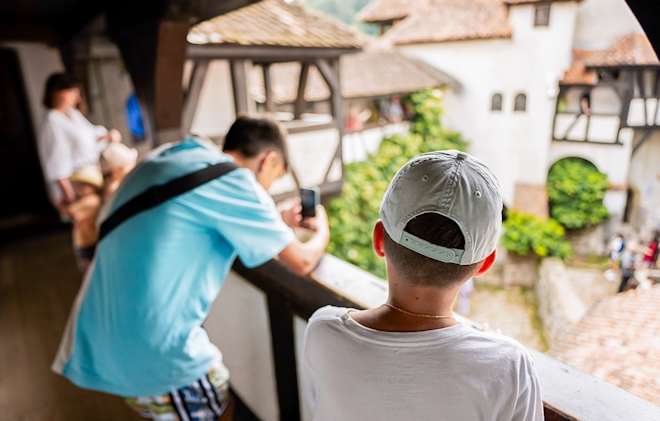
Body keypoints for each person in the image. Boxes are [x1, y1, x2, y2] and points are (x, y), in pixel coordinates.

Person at [52, 115, 330, 420]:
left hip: (102, 340)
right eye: (274, 176)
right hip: (153, 353)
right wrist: (322, 231)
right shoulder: (236, 180)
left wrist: (277, 218)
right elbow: (302, 261)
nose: (265, 187)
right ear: (269, 160)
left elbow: (195, 213)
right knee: (222, 407)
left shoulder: (176, 155)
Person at [302, 150, 543, 420]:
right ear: (485, 265)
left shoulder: (323, 330)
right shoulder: (509, 366)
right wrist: (491, 348)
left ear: (379, 238)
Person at [37, 72, 120, 211]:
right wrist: (68, 193)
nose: (76, 98)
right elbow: (56, 158)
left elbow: (90, 136)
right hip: (80, 183)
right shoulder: (53, 119)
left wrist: (107, 136)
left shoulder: (72, 114)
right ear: (57, 92)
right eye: (71, 92)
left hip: (93, 174)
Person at [64, 165, 104, 271]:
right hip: (83, 241)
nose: (78, 189)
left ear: (94, 186)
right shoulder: (83, 200)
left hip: (90, 241)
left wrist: (60, 206)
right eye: (77, 186)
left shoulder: (92, 201)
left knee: (91, 268)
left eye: (82, 186)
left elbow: (70, 212)